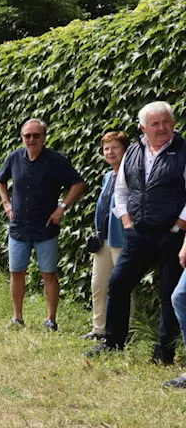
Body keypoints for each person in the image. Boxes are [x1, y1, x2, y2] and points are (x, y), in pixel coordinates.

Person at [94, 101, 186, 366]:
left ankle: (164, 352)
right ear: (143, 127)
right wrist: (125, 221)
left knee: (169, 293)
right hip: (138, 234)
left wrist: (179, 226)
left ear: (174, 123)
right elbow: (121, 191)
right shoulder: (133, 151)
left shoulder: (183, 151)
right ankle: (113, 343)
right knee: (118, 282)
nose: (162, 128)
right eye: (155, 123)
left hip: (173, 235)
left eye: (166, 121)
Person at [0, 118, 85, 331]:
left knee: (49, 273)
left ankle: (51, 320)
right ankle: (17, 318)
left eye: (36, 135)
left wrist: (62, 207)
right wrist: (7, 204)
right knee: (17, 272)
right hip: (19, 227)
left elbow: (78, 183)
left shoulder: (55, 160)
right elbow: (1, 179)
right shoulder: (14, 158)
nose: (32, 139)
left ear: (44, 137)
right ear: (22, 137)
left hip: (46, 227)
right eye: (27, 135)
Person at [85, 131, 130, 342]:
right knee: (98, 284)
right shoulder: (107, 176)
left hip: (122, 240)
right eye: (106, 148)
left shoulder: (131, 175)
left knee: (122, 286)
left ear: (125, 150)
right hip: (103, 240)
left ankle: (125, 331)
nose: (110, 152)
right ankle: (99, 329)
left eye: (115, 147)